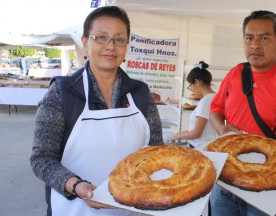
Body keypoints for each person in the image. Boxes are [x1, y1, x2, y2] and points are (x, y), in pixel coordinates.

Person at [30, 6, 163, 216]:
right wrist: (75, 185)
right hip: (74, 209)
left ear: (127, 45)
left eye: (119, 39)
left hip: (131, 211)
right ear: (85, 42)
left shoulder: (141, 93)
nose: (110, 46)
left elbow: (157, 153)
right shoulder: (62, 93)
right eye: (101, 37)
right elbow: (42, 159)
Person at [209, 10, 276, 216]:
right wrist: (221, 127)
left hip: (265, 188)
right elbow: (216, 109)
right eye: (249, 38)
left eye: (264, 38)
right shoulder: (236, 73)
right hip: (225, 179)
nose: (255, 45)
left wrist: (261, 174)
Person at [170, 61, 217, 151]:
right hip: (206, 146)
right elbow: (204, 129)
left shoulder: (205, 101)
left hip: (199, 148)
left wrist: (177, 136)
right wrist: (184, 133)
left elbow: (196, 133)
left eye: (190, 86)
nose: (191, 90)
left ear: (197, 82)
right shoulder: (213, 97)